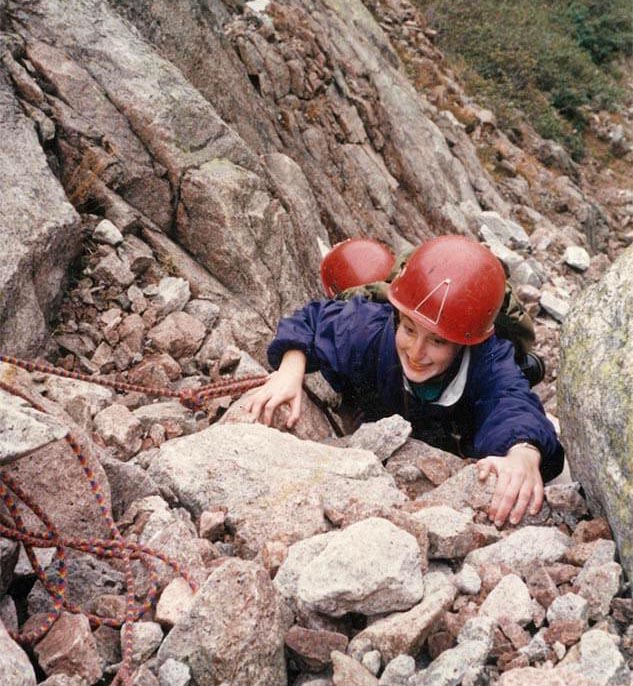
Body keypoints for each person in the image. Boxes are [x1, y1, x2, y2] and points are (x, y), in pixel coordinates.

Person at [243, 235, 564, 527]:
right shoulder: (369, 327)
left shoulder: (489, 358)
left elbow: (511, 400)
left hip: (455, 432)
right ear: (397, 315)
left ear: (468, 342)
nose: (416, 352)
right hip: (390, 411)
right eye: (409, 329)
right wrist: (289, 371)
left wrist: (523, 453)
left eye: (437, 341)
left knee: (547, 450)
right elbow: (313, 320)